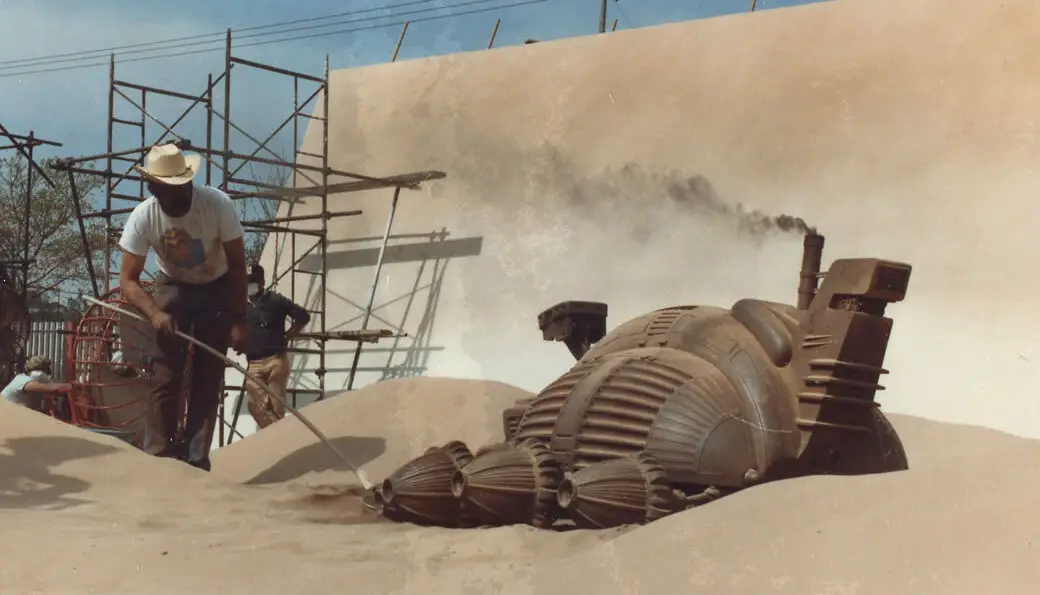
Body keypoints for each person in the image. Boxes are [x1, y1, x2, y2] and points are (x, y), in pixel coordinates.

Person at [118, 142, 250, 472]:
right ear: (154, 189)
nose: (181, 194)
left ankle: (196, 459)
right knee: (165, 374)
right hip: (173, 287)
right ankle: (158, 456)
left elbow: (237, 265)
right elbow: (129, 280)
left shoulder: (217, 205)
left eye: (184, 186)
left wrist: (238, 318)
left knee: (208, 377)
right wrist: (155, 313)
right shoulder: (143, 217)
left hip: (217, 286)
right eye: (171, 189)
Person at [242, 263, 310, 428]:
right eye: (247, 281)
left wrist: (291, 333)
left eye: (253, 281)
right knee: (254, 404)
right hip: (254, 362)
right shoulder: (242, 307)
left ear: (262, 282)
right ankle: (275, 432)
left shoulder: (275, 300)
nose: (250, 285)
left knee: (275, 405)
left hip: (275, 359)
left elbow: (303, 315)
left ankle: (276, 435)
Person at [2, 355, 73, 415]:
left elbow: (50, 402)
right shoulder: (23, 380)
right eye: (46, 370)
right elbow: (54, 389)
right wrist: (71, 386)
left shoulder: (34, 382)